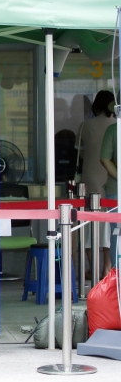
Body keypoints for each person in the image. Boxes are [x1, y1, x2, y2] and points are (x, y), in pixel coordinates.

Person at [77, 91, 114, 277]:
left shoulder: (85, 125)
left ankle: (92, 266)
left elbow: (80, 153)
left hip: (90, 178)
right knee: (109, 224)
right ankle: (108, 266)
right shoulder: (116, 125)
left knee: (89, 223)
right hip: (111, 179)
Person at [100, 103, 120, 271]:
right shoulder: (113, 129)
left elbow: (105, 158)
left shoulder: (113, 130)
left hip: (115, 189)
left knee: (117, 234)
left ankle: (118, 277)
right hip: (115, 189)